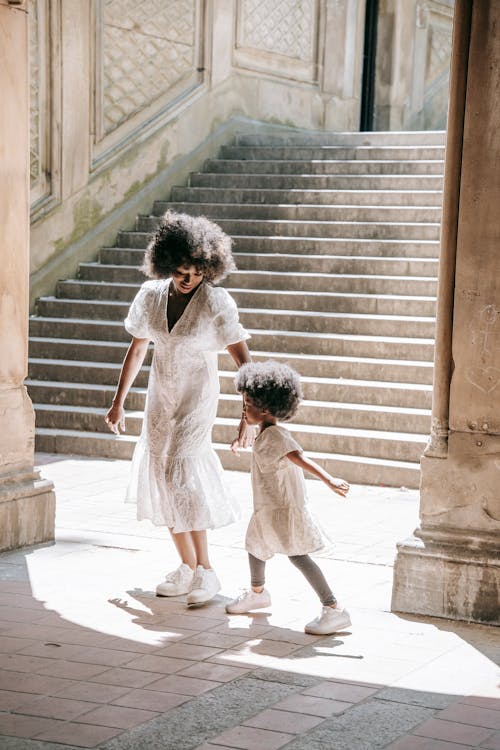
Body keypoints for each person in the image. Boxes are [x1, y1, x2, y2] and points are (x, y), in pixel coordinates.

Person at [105, 210, 254, 606]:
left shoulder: (216, 302)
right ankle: (186, 566)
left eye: (195, 272)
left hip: (197, 398)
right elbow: (137, 349)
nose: (187, 279)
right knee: (159, 472)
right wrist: (118, 402)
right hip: (160, 397)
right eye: (179, 271)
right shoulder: (150, 296)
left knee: (180, 475)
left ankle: (207, 569)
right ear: (167, 264)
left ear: (209, 267)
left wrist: (247, 416)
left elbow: (244, 362)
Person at [227, 361, 351, 635]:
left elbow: (299, 457)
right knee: (254, 546)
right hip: (267, 508)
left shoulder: (277, 437)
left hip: (282, 510)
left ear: (267, 408)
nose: (243, 409)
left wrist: (329, 479)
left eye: (248, 404)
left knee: (298, 556)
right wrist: (239, 440)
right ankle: (258, 592)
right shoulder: (265, 433)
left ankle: (334, 608)